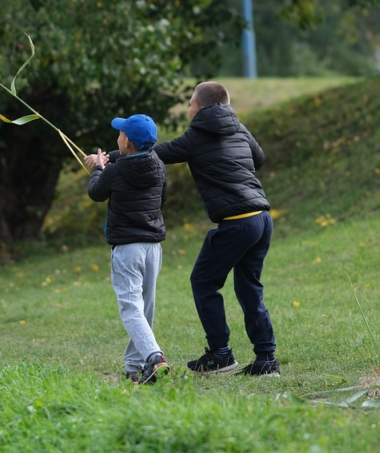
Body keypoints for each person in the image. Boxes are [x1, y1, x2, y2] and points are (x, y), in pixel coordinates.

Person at [85, 82, 279, 376]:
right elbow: (259, 158)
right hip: (262, 218)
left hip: (237, 222)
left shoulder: (196, 137)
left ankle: (220, 355)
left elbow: (155, 152)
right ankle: (266, 358)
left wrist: (107, 161)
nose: (189, 109)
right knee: (249, 286)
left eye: (190, 104)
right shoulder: (239, 128)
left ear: (199, 108)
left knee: (203, 282)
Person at [87, 113, 170, 385]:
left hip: (127, 249)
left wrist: (99, 168)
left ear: (128, 143)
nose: (118, 136)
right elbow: (162, 196)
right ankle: (134, 369)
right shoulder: (158, 165)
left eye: (121, 134)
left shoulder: (115, 171)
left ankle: (155, 357)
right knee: (144, 308)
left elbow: (96, 192)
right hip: (153, 248)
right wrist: (105, 158)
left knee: (131, 308)